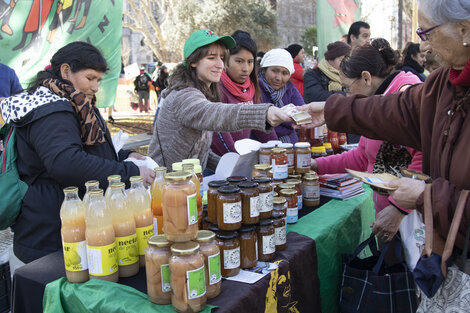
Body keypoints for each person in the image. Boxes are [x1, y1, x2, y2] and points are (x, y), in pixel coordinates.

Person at [297, 0, 470, 251]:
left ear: (464, 29)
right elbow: (395, 110)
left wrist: (424, 198)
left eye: (427, 33)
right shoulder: (444, 83)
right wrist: (330, 109)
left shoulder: (422, 83)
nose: (424, 46)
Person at [0, 41, 154, 263]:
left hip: (64, 228)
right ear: (65, 71)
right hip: (51, 235)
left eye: (98, 80)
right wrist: (128, 172)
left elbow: (82, 149)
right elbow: (66, 162)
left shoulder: (73, 102)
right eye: (90, 78)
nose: (95, 87)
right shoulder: (51, 108)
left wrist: (123, 156)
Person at [311, 39, 423, 243]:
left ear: (366, 78)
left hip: (412, 224)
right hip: (391, 221)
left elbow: (426, 156)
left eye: (347, 88)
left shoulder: (406, 94)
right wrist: (314, 165)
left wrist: (398, 210)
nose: (346, 96)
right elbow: (362, 157)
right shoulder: (378, 104)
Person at [147, 29, 292, 171]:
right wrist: (264, 113)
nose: (220, 64)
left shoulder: (204, 92)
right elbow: (215, 113)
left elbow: (197, 149)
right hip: (164, 185)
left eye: (222, 58)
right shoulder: (183, 95)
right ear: (193, 61)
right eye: (211, 57)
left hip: (189, 182)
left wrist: (231, 167)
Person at [210, 30, 278, 156]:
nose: (245, 68)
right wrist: (237, 159)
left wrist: (277, 150)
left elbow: (261, 124)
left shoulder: (252, 87)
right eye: (239, 61)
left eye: (250, 62)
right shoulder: (217, 88)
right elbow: (219, 132)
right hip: (221, 162)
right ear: (226, 60)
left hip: (243, 159)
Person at [258, 48, 305, 143]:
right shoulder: (255, 89)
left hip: (291, 144)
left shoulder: (290, 89)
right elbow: (258, 125)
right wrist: (288, 121)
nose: (279, 78)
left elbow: (302, 115)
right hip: (263, 146)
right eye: (274, 71)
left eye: (285, 73)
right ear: (264, 70)